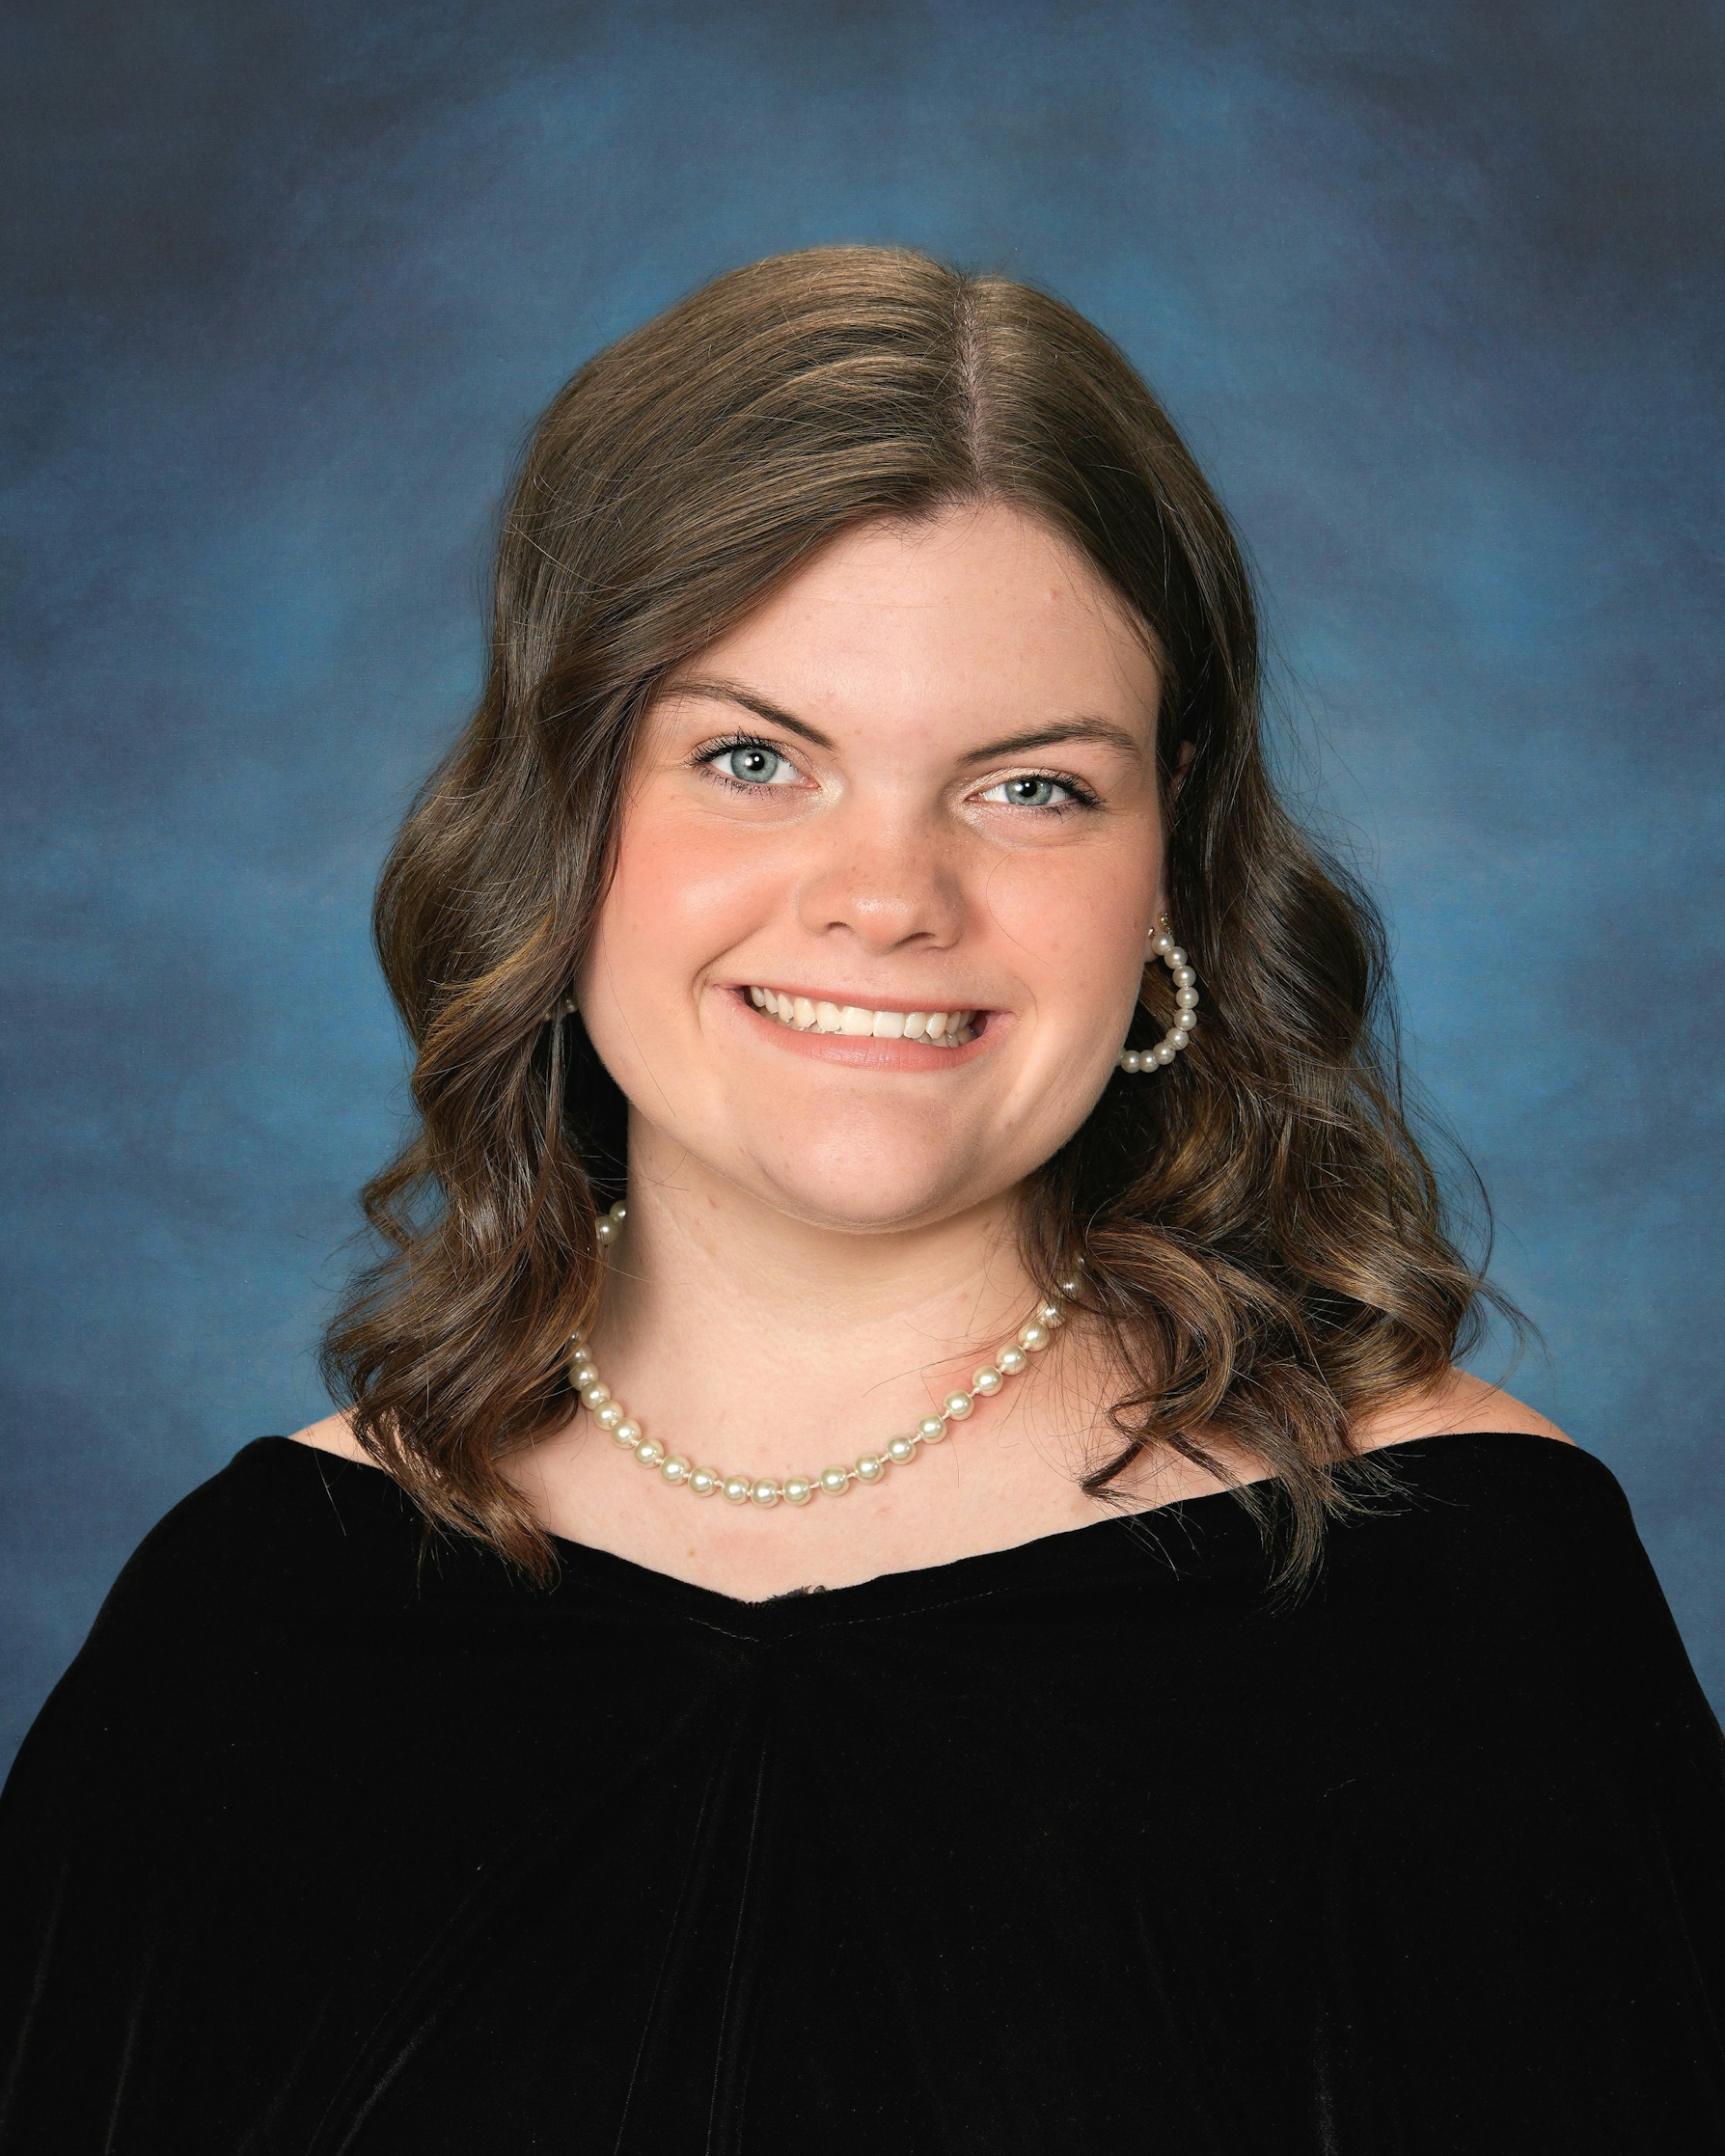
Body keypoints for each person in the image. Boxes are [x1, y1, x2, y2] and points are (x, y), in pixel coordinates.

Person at [2, 246, 1721, 2154]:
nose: (890, 897)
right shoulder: (255, 1619)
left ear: (1171, 863)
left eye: (1032, 787)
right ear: (560, 820)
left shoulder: (1459, 1591)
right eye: (754, 760)